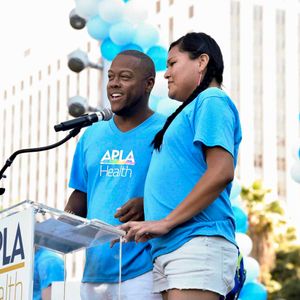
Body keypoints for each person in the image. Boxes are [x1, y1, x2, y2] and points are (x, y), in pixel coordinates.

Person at [120, 32, 243, 300]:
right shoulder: (190, 110)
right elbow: (188, 171)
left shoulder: (212, 100)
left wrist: (165, 221)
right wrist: (148, 204)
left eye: (173, 63)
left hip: (196, 242)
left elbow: (221, 171)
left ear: (201, 62)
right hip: (172, 248)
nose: (166, 74)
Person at [64, 50, 165, 300]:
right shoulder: (91, 136)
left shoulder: (167, 130)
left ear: (148, 84)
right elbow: (81, 195)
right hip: (93, 274)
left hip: (144, 271)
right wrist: (58, 225)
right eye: (110, 77)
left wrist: (148, 204)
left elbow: (183, 189)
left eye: (125, 77)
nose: (114, 84)